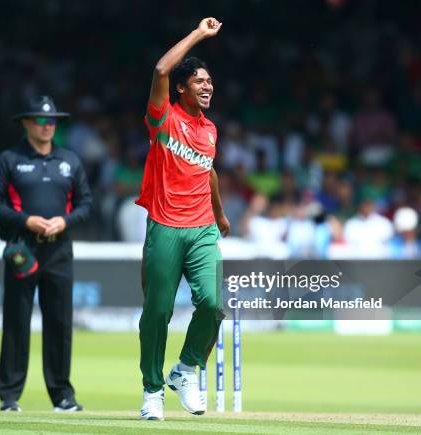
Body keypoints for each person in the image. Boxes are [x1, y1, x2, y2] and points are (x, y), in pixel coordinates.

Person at [135, 17, 230, 420]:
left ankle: (186, 369)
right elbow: (160, 68)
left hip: (203, 228)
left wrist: (221, 215)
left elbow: (207, 170)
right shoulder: (163, 119)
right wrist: (198, 33)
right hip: (165, 226)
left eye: (210, 82)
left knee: (211, 305)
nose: (207, 86)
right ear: (181, 87)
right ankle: (151, 390)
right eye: (200, 81)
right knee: (157, 312)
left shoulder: (209, 129)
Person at [0, 95, 92, 412]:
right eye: (41, 121)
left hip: (59, 251)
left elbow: (86, 204)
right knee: (16, 321)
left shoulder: (69, 161)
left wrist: (65, 220)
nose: (47, 126)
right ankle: (9, 396)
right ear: (27, 123)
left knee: (60, 324)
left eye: (52, 121)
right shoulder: (9, 160)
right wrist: (26, 220)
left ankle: (62, 396)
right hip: (23, 250)